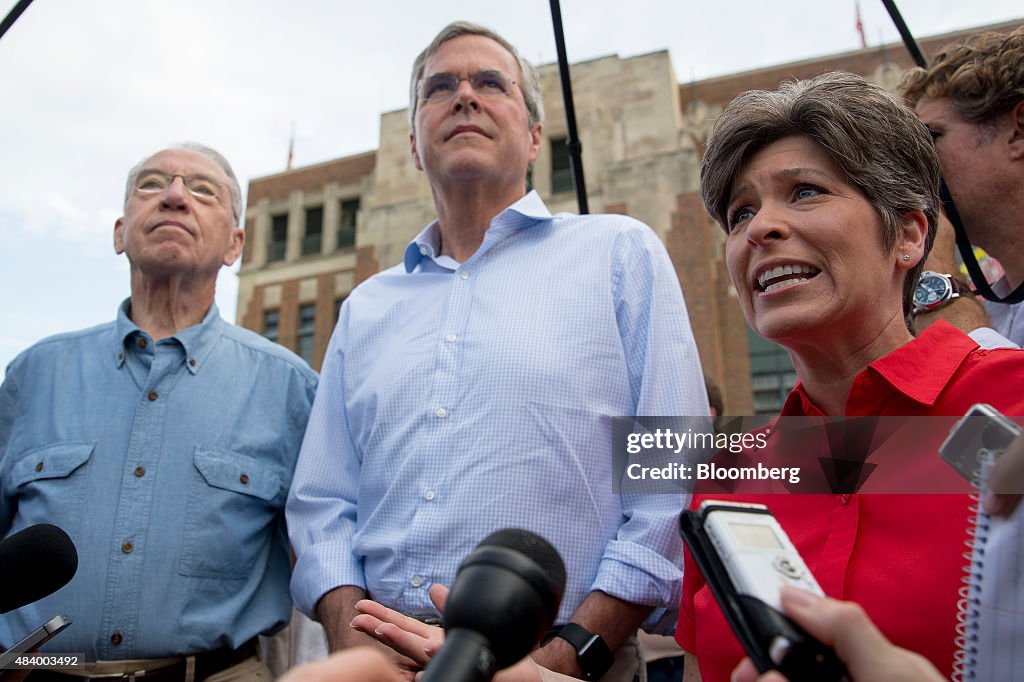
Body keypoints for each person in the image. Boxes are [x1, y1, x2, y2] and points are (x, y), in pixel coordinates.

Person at [285, 20, 708, 681]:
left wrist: (566, 657)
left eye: (490, 83)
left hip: (565, 662)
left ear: (536, 135)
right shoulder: (366, 307)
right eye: (439, 88)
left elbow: (667, 483)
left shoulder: (620, 256)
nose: (465, 96)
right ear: (415, 148)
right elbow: (321, 503)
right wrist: (351, 637)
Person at [673, 72, 1024, 681]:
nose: (759, 229)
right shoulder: (728, 477)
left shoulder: (1012, 401)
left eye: (805, 191)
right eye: (740, 213)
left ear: (909, 234)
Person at [0, 143, 318, 680]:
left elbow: (323, 561)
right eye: (152, 184)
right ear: (120, 233)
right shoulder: (33, 374)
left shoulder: (291, 389)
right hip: (38, 670)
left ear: (235, 244)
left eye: (202, 190)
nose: (174, 196)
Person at [900, 26, 1024, 345]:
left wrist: (934, 276)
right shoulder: (995, 311)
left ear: (1019, 131)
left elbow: (997, 395)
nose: (915, 165)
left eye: (930, 139)